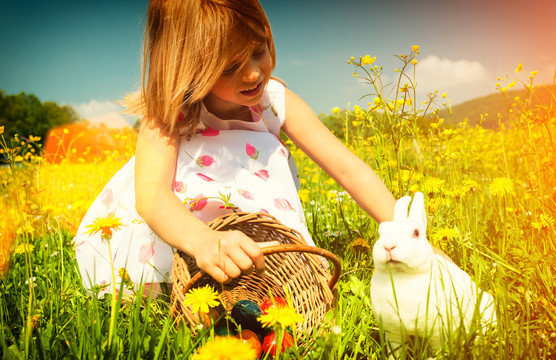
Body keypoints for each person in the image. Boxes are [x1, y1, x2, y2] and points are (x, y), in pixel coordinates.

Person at [73, 0, 398, 298]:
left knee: (278, 294)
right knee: (149, 289)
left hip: (260, 227)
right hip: (182, 232)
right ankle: (179, 284)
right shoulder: (170, 112)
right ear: (188, 66)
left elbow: (348, 168)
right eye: (230, 67)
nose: (254, 73)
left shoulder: (275, 101)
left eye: (258, 50)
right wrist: (201, 241)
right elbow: (151, 193)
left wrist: (403, 230)